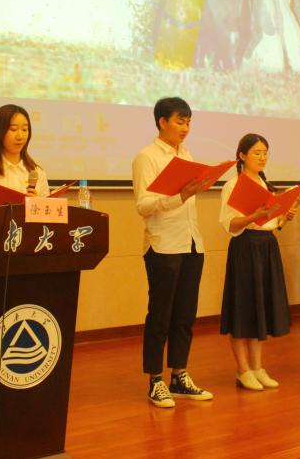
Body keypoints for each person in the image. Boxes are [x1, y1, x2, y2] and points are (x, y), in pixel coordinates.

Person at [132, 97, 215, 408]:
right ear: (162, 121)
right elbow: (143, 205)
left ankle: (179, 375)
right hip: (163, 244)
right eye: (180, 121)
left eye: (189, 122)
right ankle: (155, 380)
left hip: (192, 242)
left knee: (185, 315)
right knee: (160, 315)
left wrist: (195, 189)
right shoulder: (147, 157)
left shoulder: (187, 155)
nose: (186, 128)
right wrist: (179, 196)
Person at [220, 133, 296, 390]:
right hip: (245, 247)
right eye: (257, 152)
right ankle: (243, 370)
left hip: (267, 246)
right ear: (242, 155)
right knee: (243, 308)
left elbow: (271, 223)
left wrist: (284, 217)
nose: (262, 157)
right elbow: (230, 224)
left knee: (260, 308)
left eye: (265, 152)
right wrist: (253, 216)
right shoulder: (233, 185)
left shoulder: (266, 184)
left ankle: (257, 367)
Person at [0, 104, 50, 199]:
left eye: (25, 129)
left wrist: (36, 203)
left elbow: (47, 207)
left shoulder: (37, 172)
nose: (20, 136)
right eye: (13, 129)